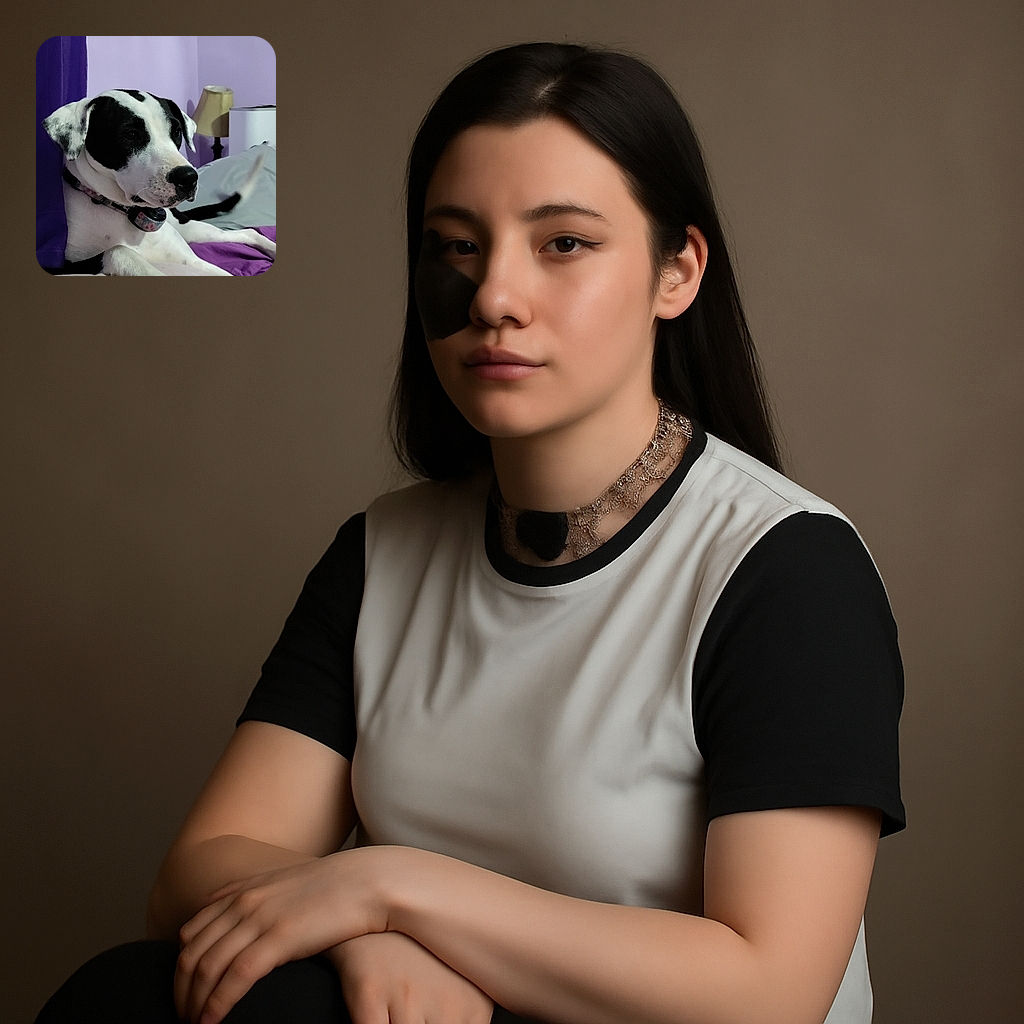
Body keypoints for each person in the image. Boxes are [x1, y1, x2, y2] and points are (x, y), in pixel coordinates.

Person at [37, 41, 904, 1024]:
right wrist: (362, 935)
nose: (493, 297)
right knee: (132, 994)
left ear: (678, 272)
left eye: (563, 243)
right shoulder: (383, 553)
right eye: (455, 246)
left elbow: (769, 992)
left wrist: (387, 888)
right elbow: (199, 867)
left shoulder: (787, 569)